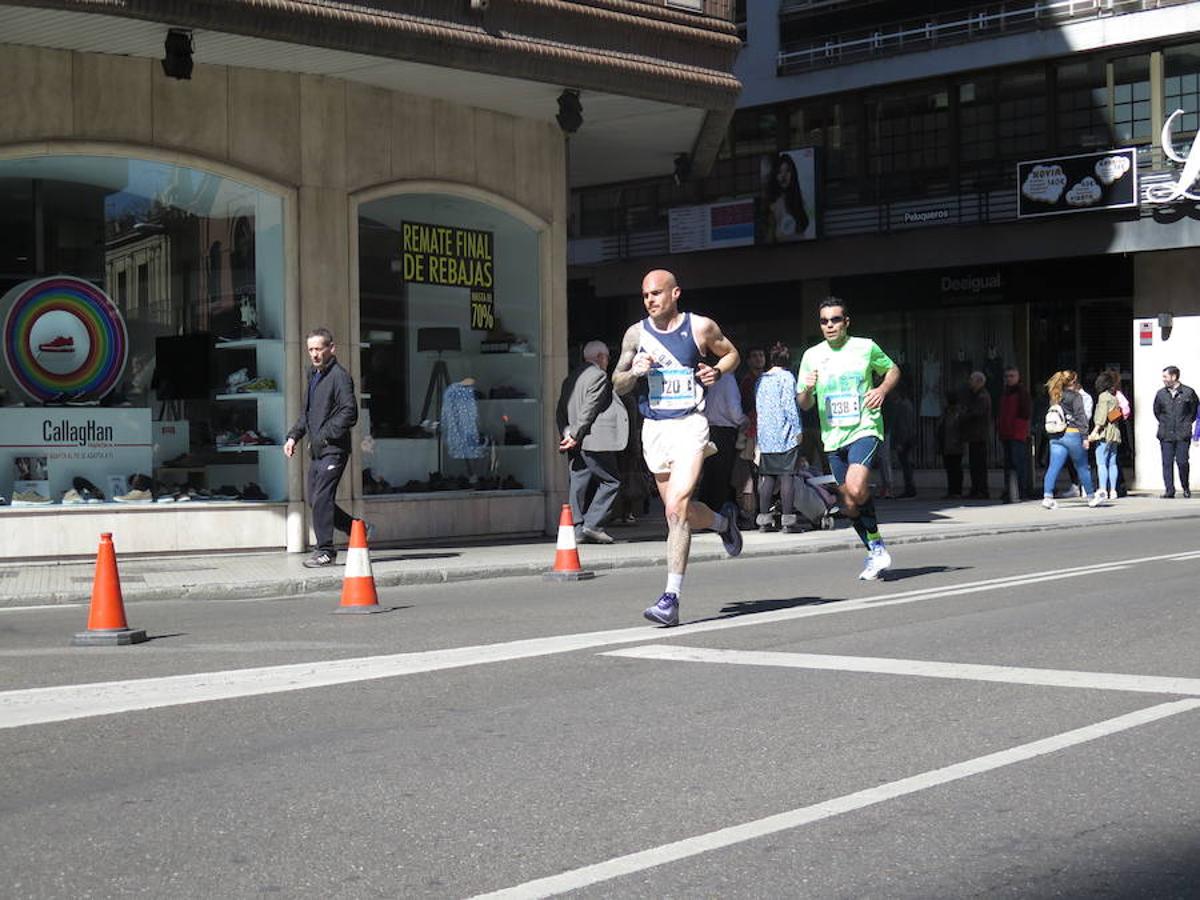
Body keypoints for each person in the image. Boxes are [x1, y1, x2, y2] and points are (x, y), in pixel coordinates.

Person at [613, 269, 743, 626]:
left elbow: (732, 354)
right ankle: (721, 522)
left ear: (675, 294)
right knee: (680, 514)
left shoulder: (701, 327)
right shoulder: (636, 334)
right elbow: (617, 383)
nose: (650, 300)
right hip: (655, 429)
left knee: (675, 509)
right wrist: (634, 372)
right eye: (644, 295)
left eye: (656, 293)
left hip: (690, 424)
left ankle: (670, 599)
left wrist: (717, 370)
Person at [798, 297, 900, 580]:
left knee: (856, 488)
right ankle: (875, 548)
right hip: (832, 438)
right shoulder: (811, 356)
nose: (829, 325)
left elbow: (893, 369)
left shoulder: (865, 347)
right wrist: (807, 389)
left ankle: (877, 548)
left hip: (864, 428)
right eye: (824, 321)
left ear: (846, 322)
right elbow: (805, 404)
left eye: (835, 320)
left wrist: (881, 390)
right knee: (848, 503)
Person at [283, 327, 363, 567]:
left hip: (333, 449)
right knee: (314, 500)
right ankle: (358, 529)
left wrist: (325, 437)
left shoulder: (339, 376)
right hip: (317, 450)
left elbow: (350, 412)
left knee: (322, 498)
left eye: (319, 349)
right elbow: (307, 414)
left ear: (331, 348)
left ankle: (325, 551)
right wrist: (292, 437)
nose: (314, 354)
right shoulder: (314, 375)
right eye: (310, 350)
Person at [556, 340, 630, 544]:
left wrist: (566, 434)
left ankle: (577, 529)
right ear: (600, 357)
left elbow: (560, 410)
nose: (607, 361)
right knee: (611, 481)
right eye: (606, 357)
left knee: (578, 482)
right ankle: (593, 524)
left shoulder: (571, 377)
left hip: (576, 440)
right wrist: (575, 434)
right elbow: (590, 408)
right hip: (593, 440)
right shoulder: (598, 375)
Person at [753, 342, 802, 532]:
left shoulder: (761, 379)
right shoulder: (787, 378)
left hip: (766, 436)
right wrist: (798, 430)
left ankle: (764, 521)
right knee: (787, 476)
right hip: (785, 435)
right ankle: (788, 522)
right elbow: (790, 406)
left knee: (768, 477)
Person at [1040, 370, 1101, 510]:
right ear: (1074, 382)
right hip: (1073, 434)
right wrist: (1085, 437)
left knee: (1053, 467)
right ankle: (1091, 496)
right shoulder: (1076, 397)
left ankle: (1047, 497)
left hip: (1056, 435)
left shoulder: (1055, 395)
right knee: (1082, 466)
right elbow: (1081, 417)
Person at [699, 355, 748, 513]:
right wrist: (744, 420)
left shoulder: (710, 378)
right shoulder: (728, 379)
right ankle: (719, 512)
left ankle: (705, 512)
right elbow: (733, 408)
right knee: (723, 475)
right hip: (725, 430)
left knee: (710, 473)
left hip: (709, 429)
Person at [1152, 365, 1198, 498]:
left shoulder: (1188, 393)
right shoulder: (1161, 394)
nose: (1163, 379)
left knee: (1183, 462)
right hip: (1166, 433)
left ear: (1174, 377)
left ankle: (1185, 486)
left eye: (1165, 376)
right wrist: (1164, 423)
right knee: (1167, 463)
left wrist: (1186, 423)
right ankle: (1169, 490)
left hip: (1182, 433)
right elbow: (1157, 411)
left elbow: (1193, 411)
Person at [996, 366, 1032, 502]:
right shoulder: (1005, 393)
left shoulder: (1021, 392)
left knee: (1019, 463)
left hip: (1016, 433)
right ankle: (1010, 490)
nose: (1009, 379)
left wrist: (1018, 429)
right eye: (1007, 376)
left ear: (1018, 377)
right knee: (1008, 464)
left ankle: (1022, 490)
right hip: (1006, 433)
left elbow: (1025, 413)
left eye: (1012, 376)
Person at [1089, 371, 1123, 502]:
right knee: (1112, 462)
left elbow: (1102, 417)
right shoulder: (1114, 397)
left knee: (1101, 462)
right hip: (1114, 433)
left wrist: (1095, 431)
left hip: (1104, 433)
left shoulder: (1103, 397)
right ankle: (1113, 490)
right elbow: (1115, 414)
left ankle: (1103, 488)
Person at [960, 371, 992, 499]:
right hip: (974, 435)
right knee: (974, 465)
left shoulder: (982, 396)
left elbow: (977, 413)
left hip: (980, 436)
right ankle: (976, 488)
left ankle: (981, 490)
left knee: (979, 465)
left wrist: (964, 415)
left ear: (979, 382)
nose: (970, 382)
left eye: (972, 380)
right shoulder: (974, 395)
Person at [764, 152, 810, 242]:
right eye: (780, 172)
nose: (783, 175)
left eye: (787, 171)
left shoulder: (799, 200)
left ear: (793, 173)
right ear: (775, 176)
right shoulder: (773, 204)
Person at [936, 392, 965, 499]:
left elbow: (960, 428)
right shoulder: (946, 412)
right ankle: (952, 490)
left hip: (955, 444)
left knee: (956, 468)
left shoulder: (958, 412)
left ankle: (957, 491)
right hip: (946, 445)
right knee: (950, 468)